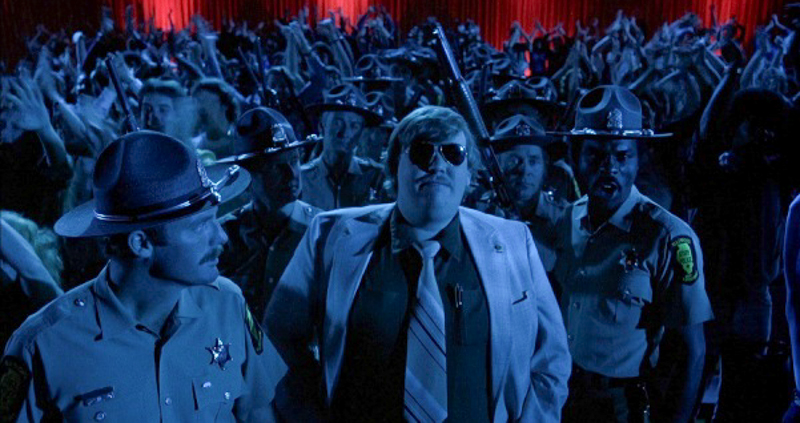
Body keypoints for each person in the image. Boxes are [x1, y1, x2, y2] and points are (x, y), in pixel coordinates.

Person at [265, 105, 571, 422]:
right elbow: (279, 339)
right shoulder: (329, 235)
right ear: (394, 167)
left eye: (453, 153)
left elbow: (552, 358)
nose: (437, 164)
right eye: (423, 152)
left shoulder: (513, 241)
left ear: (469, 174)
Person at [0, 131, 285, 422]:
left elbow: (258, 414)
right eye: (200, 226)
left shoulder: (227, 304)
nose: (221, 236)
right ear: (141, 243)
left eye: (215, 218)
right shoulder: (43, 346)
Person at [550, 86, 713, 423]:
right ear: (576, 158)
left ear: (639, 160)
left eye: (622, 156)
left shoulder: (667, 236)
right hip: (563, 393)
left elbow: (693, 351)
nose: (610, 168)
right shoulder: (567, 220)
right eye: (596, 156)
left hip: (622, 405)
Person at [216, 107, 322, 321]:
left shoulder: (322, 231)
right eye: (275, 167)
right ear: (247, 175)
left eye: (294, 160)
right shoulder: (223, 236)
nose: (291, 174)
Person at [478, 114, 568, 273]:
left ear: (545, 167)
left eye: (533, 161)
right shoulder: (480, 212)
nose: (524, 170)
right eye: (514, 160)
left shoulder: (563, 216)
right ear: (497, 166)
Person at [301, 83, 387, 210]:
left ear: (360, 132)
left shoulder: (375, 176)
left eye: (354, 126)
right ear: (322, 126)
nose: (345, 132)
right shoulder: (302, 179)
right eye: (338, 123)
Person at [190, 78, 240, 159]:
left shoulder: (243, 142)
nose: (199, 107)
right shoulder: (193, 149)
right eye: (196, 102)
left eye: (205, 100)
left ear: (224, 104)